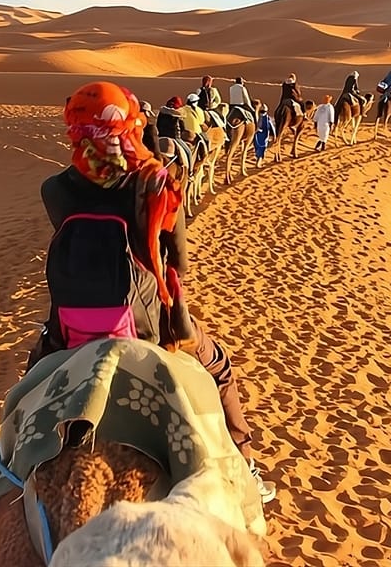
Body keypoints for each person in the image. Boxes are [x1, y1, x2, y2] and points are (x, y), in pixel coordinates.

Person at [37, 81, 275, 503]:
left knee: (31, 387)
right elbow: (179, 265)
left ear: (74, 124)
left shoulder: (54, 189)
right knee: (220, 371)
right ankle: (246, 468)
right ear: (130, 122)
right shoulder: (155, 181)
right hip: (151, 324)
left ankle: (4, 472)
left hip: (70, 327)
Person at [253, 104, 275, 168]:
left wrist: (274, 136)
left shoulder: (267, 119)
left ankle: (258, 163)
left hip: (264, 137)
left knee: (261, 150)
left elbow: (271, 127)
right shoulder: (257, 118)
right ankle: (258, 163)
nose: (262, 113)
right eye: (261, 111)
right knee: (259, 150)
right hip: (257, 137)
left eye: (264, 112)